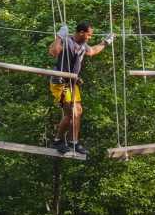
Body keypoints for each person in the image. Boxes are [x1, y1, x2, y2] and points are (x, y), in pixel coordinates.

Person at [48, 21, 114, 155]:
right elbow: (53, 52)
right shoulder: (67, 41)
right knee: (71, 113)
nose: (89, 38)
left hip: (72, 83)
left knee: (78, 111)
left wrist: (106, 42)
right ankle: (57, 140)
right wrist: (59, 36)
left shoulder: (83, 46)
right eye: (88, 35)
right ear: (81, 32)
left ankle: (74, 143)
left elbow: (93, 51)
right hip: (60, 82)